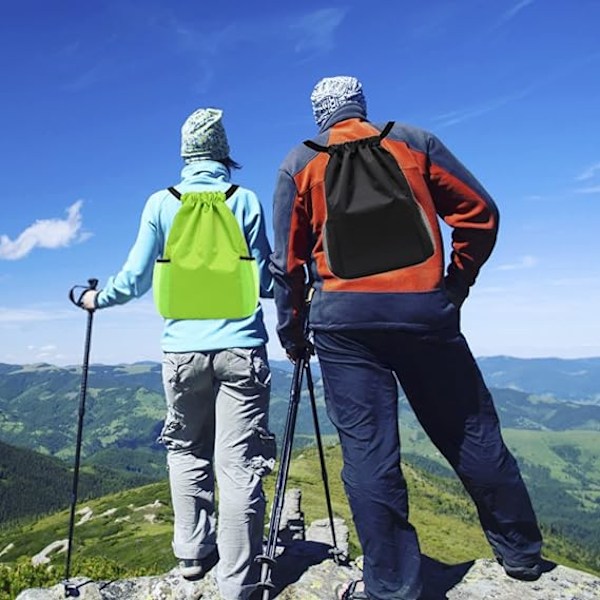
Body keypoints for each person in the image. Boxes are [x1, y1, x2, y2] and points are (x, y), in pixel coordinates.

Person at [269, 76, 543, 600]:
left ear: (319, 115)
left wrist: (292, 328)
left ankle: (393, 585)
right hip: (424, 312)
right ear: (362, 106)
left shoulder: (299, 163)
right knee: (470, 432)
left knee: (369, 453)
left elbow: (287, 264)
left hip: (343, 325)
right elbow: (480, 214)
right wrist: (454, 283)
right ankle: (522, 555)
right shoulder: (413, 142)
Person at [80, 107, 275, 600]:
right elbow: (267, 280)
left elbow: (135, 277)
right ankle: (238, 583)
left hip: (182, 353)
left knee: (185, 449)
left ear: (185, 155)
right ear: (224, 154)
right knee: (238, 464)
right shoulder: (244, 200)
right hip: (241, 348)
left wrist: (94, 299)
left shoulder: (160, 204)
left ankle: (191, 555)